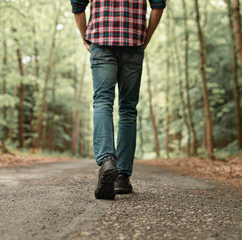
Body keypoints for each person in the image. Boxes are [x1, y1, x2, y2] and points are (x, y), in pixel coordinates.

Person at [71, 0, 165, 200]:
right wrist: (147, 36)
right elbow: (158, 4)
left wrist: (84, 37)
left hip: (101, 37)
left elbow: (77, 5)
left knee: (103, 101)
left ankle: (106, 161)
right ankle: (122, 176)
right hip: (133, 38)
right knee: (128, 109)